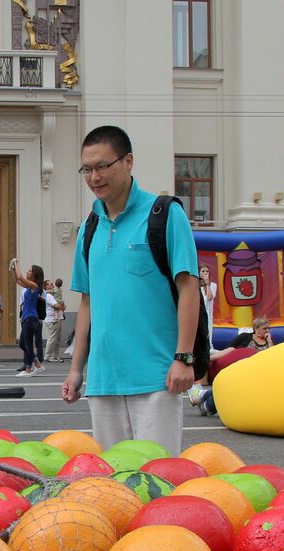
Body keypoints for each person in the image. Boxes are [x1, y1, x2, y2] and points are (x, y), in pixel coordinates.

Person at [62, 125, 200, 455]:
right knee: (114, 484)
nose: (95, 177)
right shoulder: (89, 228)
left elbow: (189, 288)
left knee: (156, 477)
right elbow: (87, 303)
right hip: (103, 379)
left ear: (128, 162)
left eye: (103, 166)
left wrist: (183, 357)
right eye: (87, 169)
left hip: (156, 378)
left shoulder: (165, 214)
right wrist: (75, 370)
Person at [10, 259, 48, 377]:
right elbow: (17, 280)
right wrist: (12, 269)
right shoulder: (28, 287)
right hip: (27, 318)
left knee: (27, 344)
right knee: (23, 344)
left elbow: (20, 277)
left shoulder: (34, 286)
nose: (28, 271)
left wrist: (16, 263)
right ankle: (37, 364)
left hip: (31, 318)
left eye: (30, 270)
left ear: (34, 274)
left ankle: (28, 369)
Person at [44, 278, 67, 363]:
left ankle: (56, 356)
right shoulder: (48, 296)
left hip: (58, 318)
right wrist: (61, 306)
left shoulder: (55, 294)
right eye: (49, 284)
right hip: (52, 319)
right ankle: (47, 356)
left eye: (52, 283)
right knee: (52, 338)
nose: (52, 284)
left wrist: (62, 306)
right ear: (46, 286)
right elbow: (57, 306)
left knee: (57, 339)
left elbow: (62, 305)